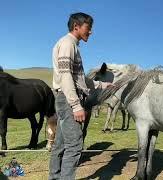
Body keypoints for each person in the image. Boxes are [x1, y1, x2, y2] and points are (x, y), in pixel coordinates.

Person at [49, 12, 113, 180]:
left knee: (61, 145)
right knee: (75, 145)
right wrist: (76, 105)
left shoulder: (71, 45)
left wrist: (101, 84)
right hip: (69, 100)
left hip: (66, 98)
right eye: (88, 27)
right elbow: (66, 76)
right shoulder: (67, 44)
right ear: (76, 26)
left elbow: (80, 79)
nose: (90, 32)